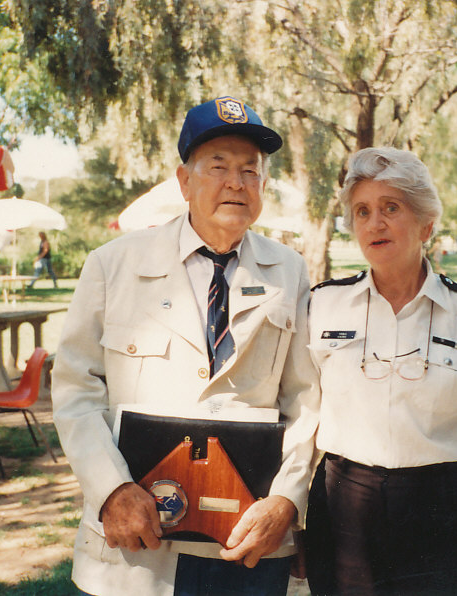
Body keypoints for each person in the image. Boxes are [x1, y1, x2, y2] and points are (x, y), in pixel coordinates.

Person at [51, 96, 319, 596]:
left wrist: (286, 501)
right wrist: (110, 490)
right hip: (138, 541)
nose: (236, 183)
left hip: (247, 542)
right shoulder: (113, 265)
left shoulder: (290, 271)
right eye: (218, 167)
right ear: (184, 181)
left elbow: (306, 400)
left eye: (251, 170)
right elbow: (74, 390)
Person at [305, 147, 457, 596]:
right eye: (362, 211)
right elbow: (297, 421)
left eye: (392, 208)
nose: (375, 223)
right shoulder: (322, 306)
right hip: (345, 511)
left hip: (444, 514)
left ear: (426, 224)